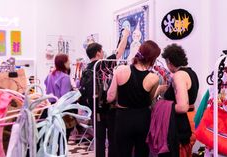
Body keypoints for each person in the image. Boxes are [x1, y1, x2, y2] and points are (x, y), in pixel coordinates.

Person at [79, 28, 129, 157]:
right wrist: (126, 35)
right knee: (112, 139)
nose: (103, 53)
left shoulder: (86, 70)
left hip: (95, 111)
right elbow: (120, 52)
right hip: (108, 109)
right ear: (98, 53)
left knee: (99, 140)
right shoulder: (103, 65)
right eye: (101, 51)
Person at [107, 40, 161, 157]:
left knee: (122, 152)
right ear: (152, 59)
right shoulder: (154, 78)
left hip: (123, 118)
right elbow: (150, 99)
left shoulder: (120, 70)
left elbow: (110, 97)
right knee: (142, 152)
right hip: (143, 118)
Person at [159, 43, 199, 157]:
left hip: (182, 123)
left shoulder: (179, 75)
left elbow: (182, 107)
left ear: (169, 62)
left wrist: (161, 106)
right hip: (190, 118)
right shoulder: (192, 73)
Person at [42, 53, 73, 139]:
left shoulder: (50, 75)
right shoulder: (65, 77)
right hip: (61, 110)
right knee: (63, 137)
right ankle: (62, 152)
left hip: (50, 108)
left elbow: (45, 84)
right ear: (63, 63)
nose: (69, 62)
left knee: (53, 137)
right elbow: (64, 97)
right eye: (68, 60)